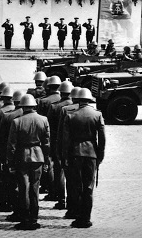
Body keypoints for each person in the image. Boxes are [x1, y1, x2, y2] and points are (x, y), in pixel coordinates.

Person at [62, 88, 105, 228]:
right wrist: (100, 155)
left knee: (77, 186)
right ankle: (86, 218)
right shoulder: (97, 114)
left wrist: (65, 156)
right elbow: (102, 139)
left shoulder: (71, 115)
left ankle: (79, 216)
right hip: (91, 153)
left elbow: (66, 139)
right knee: (88, 187)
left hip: (75, 153)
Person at [7, 94, 50, 230]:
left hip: (22, 156)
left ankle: (25, 219)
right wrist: (46, 160)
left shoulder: (17, 121)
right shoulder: (43, 120)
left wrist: (10, 162)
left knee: (23, 189)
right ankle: (34, 218)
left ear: (22, 106)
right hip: (38, 155)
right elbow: (47, 143)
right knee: (35, 188)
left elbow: (12, 145)